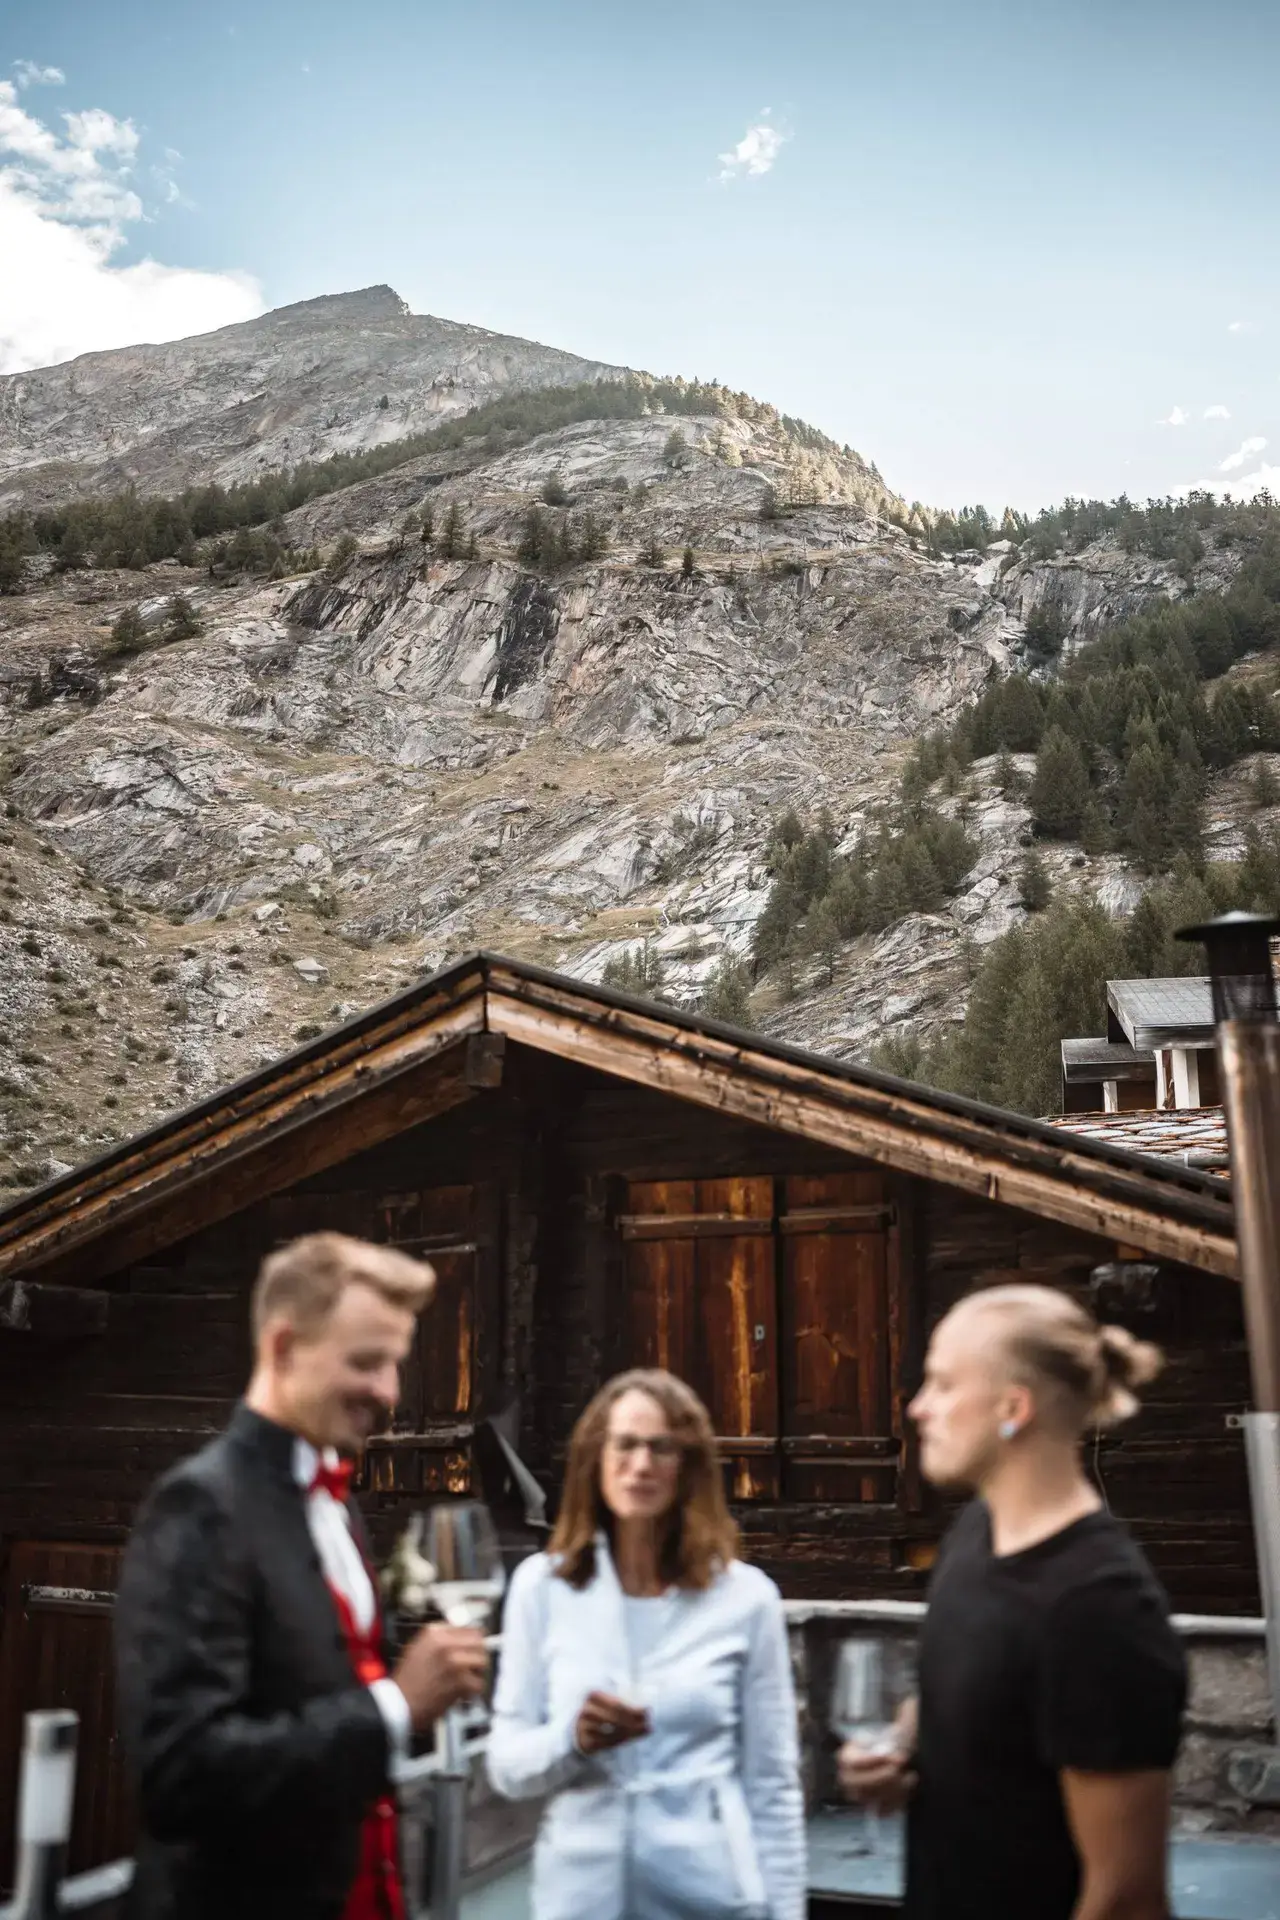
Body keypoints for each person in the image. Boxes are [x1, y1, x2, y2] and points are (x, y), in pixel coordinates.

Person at [114, 1232, 490, 1920]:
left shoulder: (338, 1505)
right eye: (366, 1362)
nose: (390, 1392)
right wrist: (396, 1706)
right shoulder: (200, 1506)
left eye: (394, 1365)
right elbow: (180, 1777)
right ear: (283, 1348)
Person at [839, 1283, 1187, 1920]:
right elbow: (980, 1696)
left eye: (943, 1384)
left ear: (1013, 1407)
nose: (918, 1408)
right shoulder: (977, 1529)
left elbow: (1127, 1899)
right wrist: (901, 1752)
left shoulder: (1099, 1609)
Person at [487, 1368, 805, 1920]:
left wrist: (786, 1912)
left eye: (661, 1448)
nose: (640, 1465)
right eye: (625, 1444)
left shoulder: (745, 1599)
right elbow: (507, 1767)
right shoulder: (543, 1587)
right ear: (595, 1458)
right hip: (581, 1899)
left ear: (689, 1467)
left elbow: (772, 1784)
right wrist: (573, 1739)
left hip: (709, 1896)